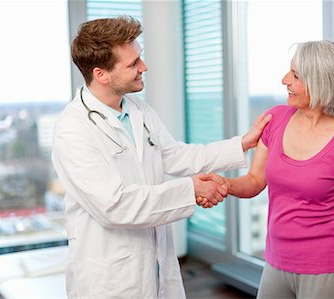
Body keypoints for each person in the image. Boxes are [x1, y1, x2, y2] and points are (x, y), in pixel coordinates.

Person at [51, 16, 271, 298]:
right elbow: (115, 205)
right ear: (101, 74)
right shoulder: (73, 130)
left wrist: (242, 144)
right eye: (133, 64)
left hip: (153, 262)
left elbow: (176, 155)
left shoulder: (138, 110)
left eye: (139, 58)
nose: (144, 67)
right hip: (108, 278)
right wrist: (191, 190)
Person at [208, 40, 334, 299]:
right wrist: (225, 184)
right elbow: (255, 180)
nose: (284, 80)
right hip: (276, 262)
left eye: (295, 75)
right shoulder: (275, 119)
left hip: (325, 269)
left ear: (321, 83)